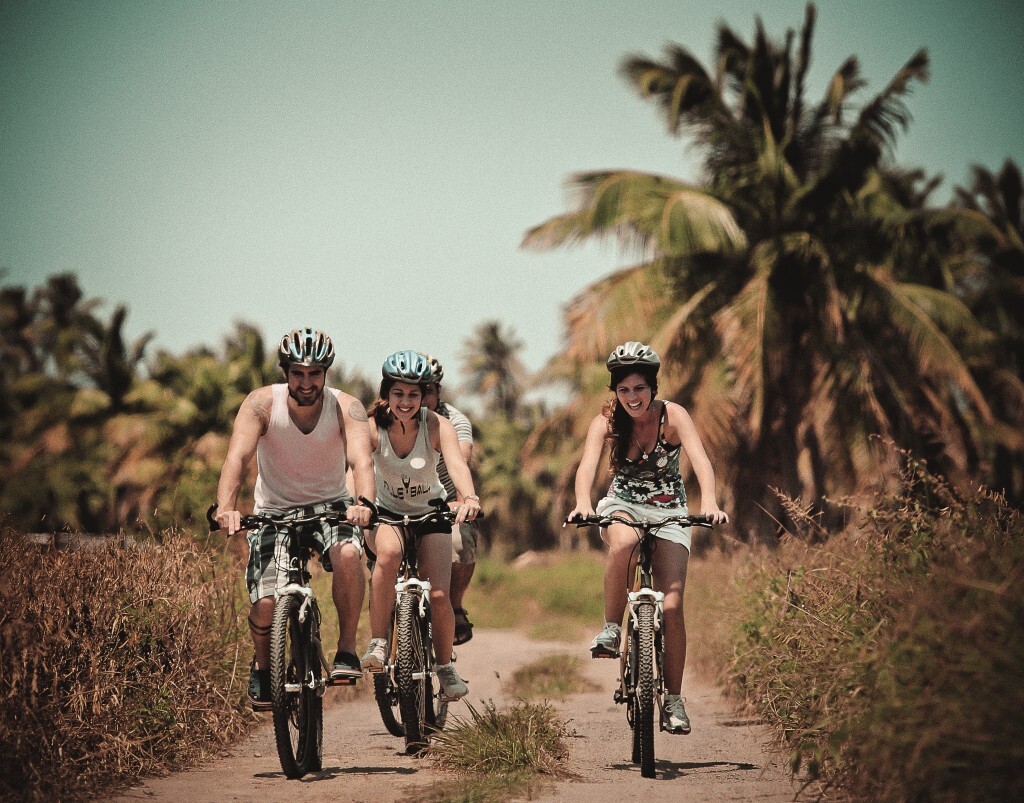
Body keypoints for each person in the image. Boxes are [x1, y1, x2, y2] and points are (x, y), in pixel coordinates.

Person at [567, 340, 728, 735]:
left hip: (671, 509)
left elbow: (701, 460)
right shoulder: (605, 421)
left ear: (652, 387)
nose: (632, 397)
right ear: (615, 392)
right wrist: (583, 503)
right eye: (623, 390)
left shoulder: (673, 416)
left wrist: (710, 502)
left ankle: (673, 700)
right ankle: (610, 627)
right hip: (623, 504)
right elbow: (587, 466)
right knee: (622, 543)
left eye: (639, 388)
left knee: (672, 605)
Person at [215, 327, 376, 710]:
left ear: (326, 373)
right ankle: (263, 666)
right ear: (285, 371)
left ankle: (347, 651)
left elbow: (361, 459)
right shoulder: (261, 404)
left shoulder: (346, 407)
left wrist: (364, 502)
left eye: (315, 373)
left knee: (350, 556)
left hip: (332, 507)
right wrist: (226, 507)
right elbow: (236, 459)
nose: (307, 382)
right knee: (266, 603)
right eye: (298, 373)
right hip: (273, 513)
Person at [360, 350, 481, 701]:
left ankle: (444, 668)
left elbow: (457, 464)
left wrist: (468, 497)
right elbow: (360, 468)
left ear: (425, 394)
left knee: (440, 594)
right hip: (386, 512)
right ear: (386, 393)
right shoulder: (371, 427)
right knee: (388, 555)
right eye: (399, 394)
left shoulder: (436, 425)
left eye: (414, 394)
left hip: (430, 513)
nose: (406, 401)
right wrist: (360, 505)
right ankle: (380, 643)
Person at [421, 353, 479, 645]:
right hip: (397, 502)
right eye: (412, 391)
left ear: (439, 391)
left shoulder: (455, 422)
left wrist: (463, 501)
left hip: (442, 503)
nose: (419, 400)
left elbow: (460, 464)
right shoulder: (387, 418)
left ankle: (454, 605)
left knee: (461, 539)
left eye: (427, 391)